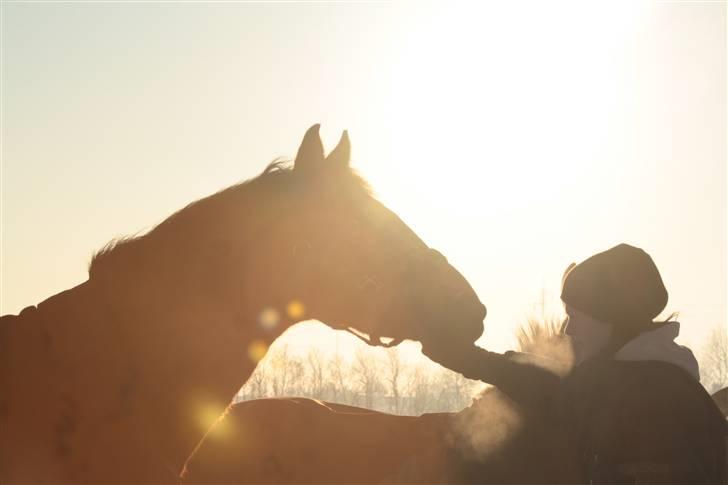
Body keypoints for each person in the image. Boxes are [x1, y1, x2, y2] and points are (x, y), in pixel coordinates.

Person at [422, 243, 726, 484]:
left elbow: (555, 389)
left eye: (575, 316)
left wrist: (471, 359)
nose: (569, 330)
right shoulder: (640, 376)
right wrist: (470, 358)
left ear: (612, 320)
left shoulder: (650, 398)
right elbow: (552, 383)